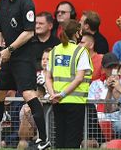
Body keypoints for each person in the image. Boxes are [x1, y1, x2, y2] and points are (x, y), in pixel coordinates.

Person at [0, 0, 48, 150]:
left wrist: (10, 49)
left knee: (28, 94)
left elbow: (29, 32)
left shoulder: (26, 3)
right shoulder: (2, 2)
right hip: (7, 55)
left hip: (23, 56)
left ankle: (44, 139)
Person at [44, 19, 90, 149]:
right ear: (77, 33)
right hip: (75, 102)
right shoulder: (81, 51)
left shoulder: (54, 51)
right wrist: (62, 94)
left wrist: (53, 95)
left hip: (57, 102)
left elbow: (48, 77)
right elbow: (79, 78)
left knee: (60, 140)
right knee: (72, 142)